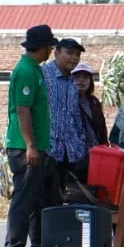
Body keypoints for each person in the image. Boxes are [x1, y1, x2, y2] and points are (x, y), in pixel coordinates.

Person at [4, 25, 56, 247]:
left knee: (35, 198)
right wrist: (30, 145)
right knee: (24, 198)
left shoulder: (35, 69)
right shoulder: (26, 70)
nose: (51, 51)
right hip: (24, 146)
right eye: (49, 47)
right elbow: (22, 110)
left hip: (36, 145)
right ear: (42, 47)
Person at [43, 37, 89, 199]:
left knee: (58, 203)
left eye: (77, 54)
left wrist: (79, 144)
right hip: (46, 151)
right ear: (56, 53)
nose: (74, 58)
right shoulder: (43, 75)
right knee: (39, 202)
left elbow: (75, 116)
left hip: (67, 154)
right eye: (69, 53)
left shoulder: (72, 82)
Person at [74, 62, 108, 149]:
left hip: (95, 149)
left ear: (90, 81)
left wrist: (105, 146)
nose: (81, 80)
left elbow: (102, 128)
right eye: (77, 77)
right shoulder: (66, 101)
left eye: (85, 77)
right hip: (75, 149)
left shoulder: (94, 102)